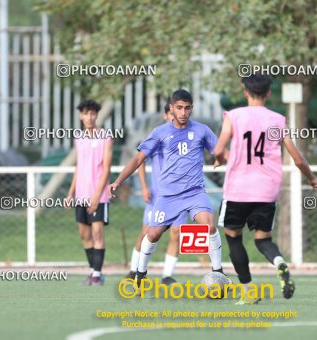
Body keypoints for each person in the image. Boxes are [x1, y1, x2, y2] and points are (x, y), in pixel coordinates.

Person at [214, 73, 317, 304]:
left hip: (238, 189)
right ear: (268, 94)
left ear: (245, 92)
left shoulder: (233, 116)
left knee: (234, 238)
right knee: (263, 240)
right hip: (266, 190)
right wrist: (312, 178)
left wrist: (221, 158)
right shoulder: (277, 120)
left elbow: (218, 149)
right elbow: (298, 159)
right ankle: (279, 263)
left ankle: (248, 291)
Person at [109, 89, 226, 287]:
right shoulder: (160, 133)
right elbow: (138, 159)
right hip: (168, 196)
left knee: (209, 225)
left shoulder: (201, 130)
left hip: (195, 192)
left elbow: (220, 149)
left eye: (187, 108)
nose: (183, 112)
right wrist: (118, 181)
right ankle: (140, 273)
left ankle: (218, 271)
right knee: (152, 234)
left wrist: (220, 158)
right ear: (171, 109)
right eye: (179, 108)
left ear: (191, 109)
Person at [126, 102, 187, 285]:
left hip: (180, 197)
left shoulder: (188, 138)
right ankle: (134, 270)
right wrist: (144, 186)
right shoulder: (158, 136)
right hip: (158, 197)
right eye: (171, 113)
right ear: (166, 115)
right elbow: (140, 161)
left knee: (176, 233)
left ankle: (167, 275)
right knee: (147, 233)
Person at [66, 99, 112, 286]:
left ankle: (97, 274)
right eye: (86, 113)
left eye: (92, 113)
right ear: (80, 116)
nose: (89, 117)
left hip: (98, 195)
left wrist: (95, 196)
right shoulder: (79, 137)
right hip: (81, 195)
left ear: (97, 115)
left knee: (97, 233)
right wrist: (70, 193)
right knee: (84, 235)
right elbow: (79, 166)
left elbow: (107, 168)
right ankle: (93, 271)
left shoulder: (105, 137)